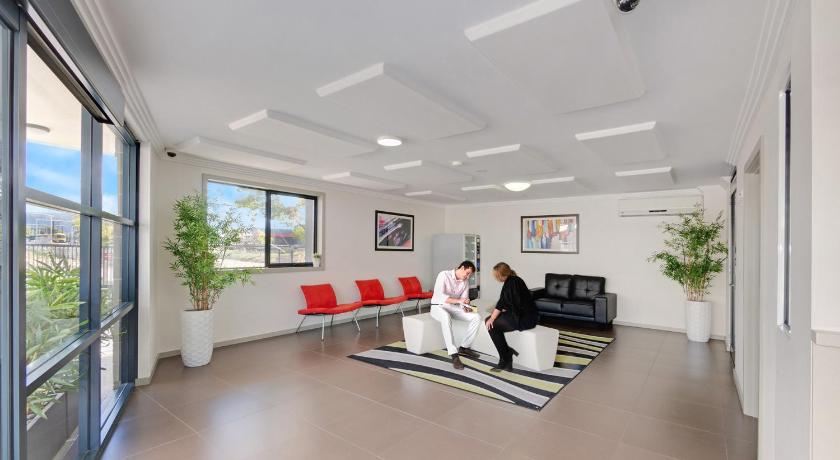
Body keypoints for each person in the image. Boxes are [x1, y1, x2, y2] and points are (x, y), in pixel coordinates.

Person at [485, 262, 538, 372]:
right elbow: (512, 302)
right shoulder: (513, 280)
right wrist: (495, 316)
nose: (495, 278)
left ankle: (505, 357)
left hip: (525, 318)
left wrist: (492, 318)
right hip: (521, 315)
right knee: (489, 322)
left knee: (491, 324)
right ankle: (506, 354)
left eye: (496, 275)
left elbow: (502, 303)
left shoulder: (512, 282)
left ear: (501, 274)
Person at [430, 260, 481, 370]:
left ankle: (464, 347)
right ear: (462, 268)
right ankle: (453, 355)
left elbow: (463, 300)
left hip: (453, 307)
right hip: (437, 306)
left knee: (476, 317)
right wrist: (459, 301)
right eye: (467, 273)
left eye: (470, 275)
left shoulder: (465, 282)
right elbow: (440, 296)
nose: (468, 277)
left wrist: (466, 305)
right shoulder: (444, 275)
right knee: (445, 316)